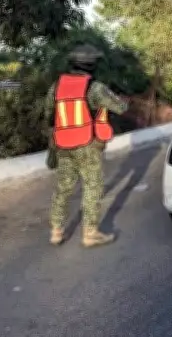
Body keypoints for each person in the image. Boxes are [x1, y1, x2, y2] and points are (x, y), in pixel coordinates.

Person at [47, 44, 129, 248]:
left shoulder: (56, 86)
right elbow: (121, 107)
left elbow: (49, 115)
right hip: (87, 144)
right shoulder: (95, 88)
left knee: (63, 187)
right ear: (92, 65)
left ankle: (56, 231)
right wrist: (121, 98)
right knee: (93, 186)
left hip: (63, 143)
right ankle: (90, 233)